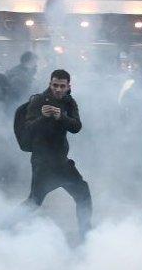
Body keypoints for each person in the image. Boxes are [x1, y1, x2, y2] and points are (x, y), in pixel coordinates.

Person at [20, 69, 92, 240]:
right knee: (34, 202)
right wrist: (43, 117)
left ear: (68, 87)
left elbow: (76, 127)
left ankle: (86, 235)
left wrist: (61, 116)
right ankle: (5, 228)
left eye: (62, 86)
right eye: (55, 85)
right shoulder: (38, 101)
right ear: (49, 84)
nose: (58, 89)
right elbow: (28, 129)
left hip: (61, 162)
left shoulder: (69, 102)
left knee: (83, 193)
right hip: (42, 162)